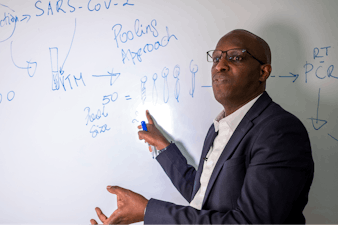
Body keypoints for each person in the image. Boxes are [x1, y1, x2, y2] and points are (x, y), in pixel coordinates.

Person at [90, 29, 314, 225]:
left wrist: (148, 211)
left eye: (235, 57)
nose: (220, 66)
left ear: (263, 72)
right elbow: (203, 195)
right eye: (216, 59)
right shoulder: (220, 126)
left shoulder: (280, 131)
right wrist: (164, 147)